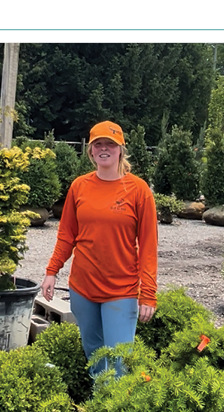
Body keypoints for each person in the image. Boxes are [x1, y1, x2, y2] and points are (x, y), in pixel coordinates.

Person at [40, 121, 158, 378]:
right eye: (98, 144)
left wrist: (148, 293)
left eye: (110, 144)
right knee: (94, 357)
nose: (104, 149)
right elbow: (66, 235)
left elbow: (148, 246)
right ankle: (97, 410)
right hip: (83, 289)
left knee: (119, 362)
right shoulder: (79, 187)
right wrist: (51, 271)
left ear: (120, 150)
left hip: (122, 290)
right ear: (91, 151)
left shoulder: (139, 191)